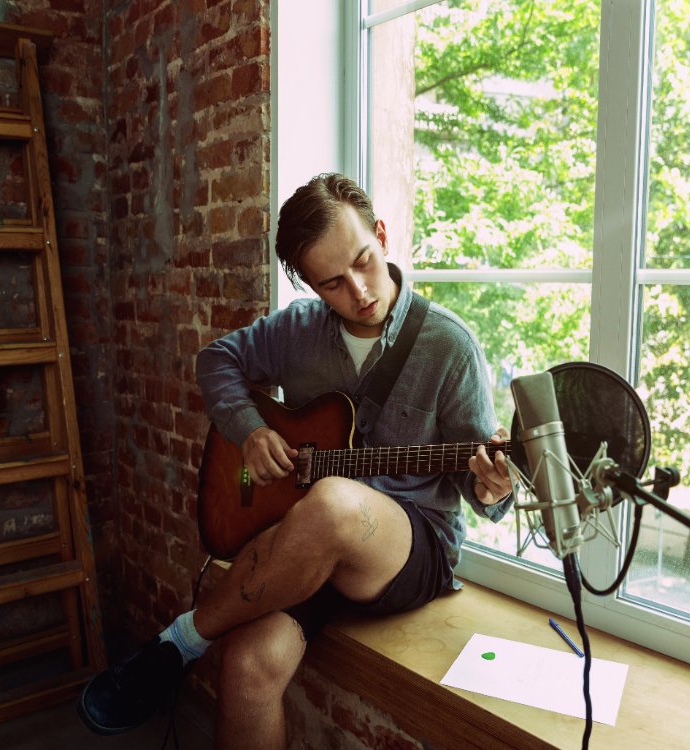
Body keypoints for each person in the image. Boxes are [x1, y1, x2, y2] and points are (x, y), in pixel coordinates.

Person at [77, 173, 513, 747]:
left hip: (408, 550)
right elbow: (216, 361)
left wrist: (493, 487)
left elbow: (483, 487)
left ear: (381, 235)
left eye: (364, 262)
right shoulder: (297, 331)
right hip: (311, 537)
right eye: (332, 283)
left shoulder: (448, 345)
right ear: (309, 285)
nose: (358, 291)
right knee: (247, 668)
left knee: (333, 503)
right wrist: (251, 430)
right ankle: (197, 645)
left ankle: (179, 644)